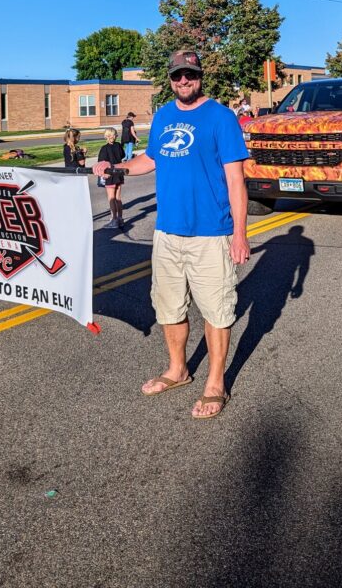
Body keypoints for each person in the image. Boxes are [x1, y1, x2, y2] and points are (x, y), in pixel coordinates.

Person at [93, 49, 250, 420]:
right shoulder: (163, 116)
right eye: (177, 75)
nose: (183, 81)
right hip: (167, 233)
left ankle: (216, 383)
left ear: (200, 77)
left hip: (211, 233)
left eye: (189, 75)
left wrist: (240, 234)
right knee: (169, 306)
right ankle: (178, 369)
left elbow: (235, 180)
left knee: (217, 311)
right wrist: (116, 168)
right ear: (170, 78)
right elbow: (150, 159)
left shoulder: (221, 117)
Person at [97, 127, 125, 228]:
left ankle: (114, 220)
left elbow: (101, 162)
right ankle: (120, 218)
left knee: (111, 198)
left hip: (110, 174)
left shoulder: (104, 148)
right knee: (118, 198)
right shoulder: (118, 145)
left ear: (106, 136)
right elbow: (123, 155)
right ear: (115, 136)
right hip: (119, 173)